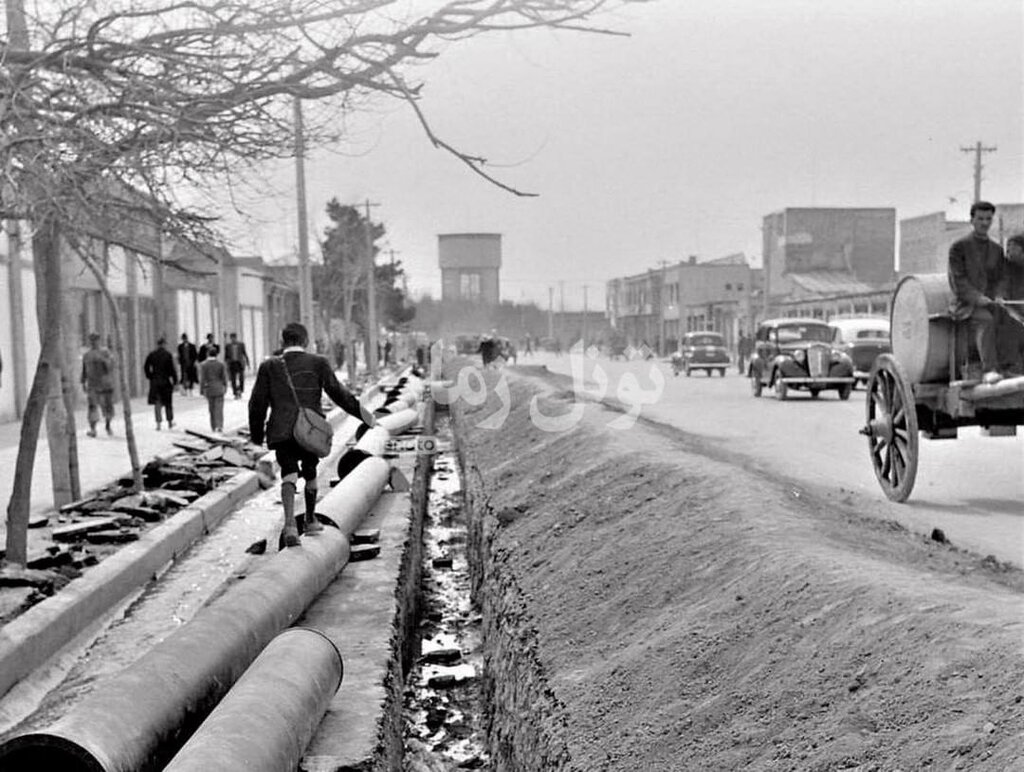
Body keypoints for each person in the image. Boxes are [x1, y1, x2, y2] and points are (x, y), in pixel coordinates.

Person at [248, 322, 375, 548]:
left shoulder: (269, 366)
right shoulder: (318, 363)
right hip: (309, 430)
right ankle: (309, 519)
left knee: (288, 473)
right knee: (310, 471)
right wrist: (364, 416)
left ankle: (289, 525)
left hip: (282, 430)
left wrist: (256, 437)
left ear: (282, 341)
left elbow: (257, 403)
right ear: (305, 341)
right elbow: (339, 394)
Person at [948, 201, 1007, 384]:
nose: (984, 223)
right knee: (986, 320)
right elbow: (958, 281)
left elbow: (1001, 279)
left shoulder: (997, 250)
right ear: (971, 220)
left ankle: (1011, 366)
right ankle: (989, 370)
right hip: (965, 306)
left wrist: (999, 295)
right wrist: (977, 298)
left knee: (1014, 320)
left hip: (991, 304)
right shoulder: (959, 247)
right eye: (980, 218)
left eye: (988, 219)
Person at [996, 233, 1024, 376]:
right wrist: (1001, 298)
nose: (1007, 251)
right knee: (1012, 326)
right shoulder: (1005, 268)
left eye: (1012, 248)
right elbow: (1002, 291)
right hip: (1011, 312)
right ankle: (1012, 367)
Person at [81, 332, 116, 437]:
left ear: (99, 340)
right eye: (92, 340)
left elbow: (111, 366)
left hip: (105, 384)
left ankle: (108, 426)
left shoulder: (105, 352)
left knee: (108, 406)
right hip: (92, 384)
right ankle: (93, 429)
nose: (93, 342)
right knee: (92, 407)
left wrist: (104, 360)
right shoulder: (87, 355)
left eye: (95, 340)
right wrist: (83, 382)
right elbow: (84, 370)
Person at [144, 337, 177, 430]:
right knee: (168, 403)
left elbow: (146, 366)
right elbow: (172, 369)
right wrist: (175, 380)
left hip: (155, 382)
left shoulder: (152, 355)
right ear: (164, 344)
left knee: (157, 403)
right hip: (165, 381)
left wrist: (150, 376)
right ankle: (170, 422)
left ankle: (158, 423)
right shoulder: (167, 355)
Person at [198, 344, 228, 433]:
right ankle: (219, 425)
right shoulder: (221, 364)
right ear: (216, 354)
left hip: (209, 388)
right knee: (219, 408)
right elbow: (224, 377)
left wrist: (201, 389)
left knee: (211, 408)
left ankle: (213, 426)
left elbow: (202, 378)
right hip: (219, 388)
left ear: (208, 354)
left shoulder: (203, 365)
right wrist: (225, 386)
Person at [224, 332, 251, 399]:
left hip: (239, 363)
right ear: (230, 338)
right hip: (232, 363)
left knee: (241, 378)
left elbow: (244, 353)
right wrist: (226, 364)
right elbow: (226, 356)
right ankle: (235, 392)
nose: (233, 339)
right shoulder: (228, 346)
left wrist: (248, 363)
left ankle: (240, 390)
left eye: (234, 338)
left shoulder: (241, 345)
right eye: (232, 338)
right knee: (233, 379)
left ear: (236, 338)